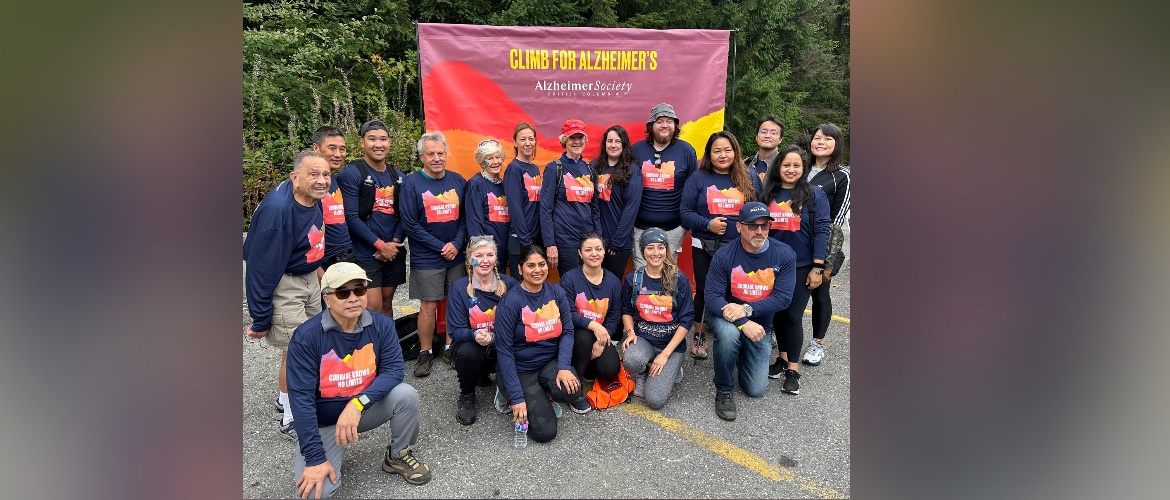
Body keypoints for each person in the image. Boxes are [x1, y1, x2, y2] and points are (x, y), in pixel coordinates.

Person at [287, 263, 432, 498]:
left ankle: (397, 455)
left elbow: (395, 370)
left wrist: (357, 404)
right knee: (316, 493)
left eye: (360, 290)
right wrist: (315, 458)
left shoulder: (382, 324)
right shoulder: (306, 337)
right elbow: (301, 401)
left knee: (406, 395)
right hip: (324, 422)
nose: (353, 298)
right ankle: (319, 452)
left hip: (362, 410)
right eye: (343, 293)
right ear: (327, 299)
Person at [244, 149, 329, 441]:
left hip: (308, 279)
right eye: (313, 174)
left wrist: (322, 277)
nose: (321, 181)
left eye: (326, 174)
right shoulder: (278, 210)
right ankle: (293, 418)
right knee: (296, 351)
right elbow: (260, 269)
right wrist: (261, 317)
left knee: (314, 342)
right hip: (285, 283)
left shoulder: (312, 198)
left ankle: (286, 399)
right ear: (294, 177)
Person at [704, 202, 796, 421]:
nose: (759, 231)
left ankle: (739, 352)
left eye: (764, 226)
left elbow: (783, 298)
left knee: (756, 389)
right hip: (726, 316)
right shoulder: (725, 255)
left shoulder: (784, 255)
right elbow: (712, 297)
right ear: (739, 227)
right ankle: (724, 389)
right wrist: (743, 323)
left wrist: (746, 310)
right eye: (752, 226)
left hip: (759, 321)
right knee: (728, 336)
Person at [494, 245, 592, 444]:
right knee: (544, 433)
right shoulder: (511, 301)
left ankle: (543, 390)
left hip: (549, 363)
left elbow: (567, 331)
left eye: (541, 264)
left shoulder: (556, 292)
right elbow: (504, 350)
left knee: (572, 390)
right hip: (520, 369)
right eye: (530, 265)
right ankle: (505, 391)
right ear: (520, 269)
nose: (537, 270)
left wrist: (564, 366)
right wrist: (517, 398)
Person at [680, 131, 762, 360]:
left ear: (735, 152)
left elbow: (758, 213)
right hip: (704, 244)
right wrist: (708, 223)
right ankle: (699, 334)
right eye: (717, 150)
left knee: (736, 291)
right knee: (705, 291)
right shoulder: (698, 178)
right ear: (709, 154)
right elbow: (685, 214)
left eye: (727, 150)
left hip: (740, 246)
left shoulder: (749, 177)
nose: (722, 155)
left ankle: (738, 334)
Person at [760, 145, 830, 395]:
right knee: (777, 315)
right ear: (778, 167)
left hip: (801, 266)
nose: (791, 170)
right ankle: (781, 359)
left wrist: (818, 267)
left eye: (796, 165)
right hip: (771, 264)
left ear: (804, 168)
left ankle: (793, 369)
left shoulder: (814, 195)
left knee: (792, 316)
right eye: (786, 165)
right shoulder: (768, 192)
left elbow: (822, 230)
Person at [399, 131, 468, 377]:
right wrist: (440, 246)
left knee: (453, 302)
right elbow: (410, 224)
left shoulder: (458, 180)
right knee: (428, 305)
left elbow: (464, 219)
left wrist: (456, 244)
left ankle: (450, 347)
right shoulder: (411, 183)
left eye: (440, 153)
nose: (437, 158)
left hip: (455, 255)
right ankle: (425, 352)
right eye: (431, 154)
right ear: (421, 157)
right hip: (428, 257)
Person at [336, 120, 407, 317]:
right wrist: (379, 245)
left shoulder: (399, 176)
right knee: (371, 307)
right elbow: (350, 217)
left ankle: (387, 348)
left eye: (383, 139)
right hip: (366, 253)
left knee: (386, 304)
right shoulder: (351, 173)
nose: (378, 144)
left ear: (389, 142)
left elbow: (406, 216)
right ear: (362, 142)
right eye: (372, 139)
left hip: (392, 252)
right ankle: (368, 347)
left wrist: (392, 244)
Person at [445, 235, 517, 426]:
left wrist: (494, 337)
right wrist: (475, 334)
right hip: (475, 344)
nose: (485, 260)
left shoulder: (510, 284)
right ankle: (467, 395)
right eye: (479, 255)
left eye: (490, 255)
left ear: (496, 258)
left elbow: (519, 322)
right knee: (467, 351)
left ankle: (502, 381)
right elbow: (455, 330)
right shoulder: (459, 288)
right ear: (470, 259)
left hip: (502, 344)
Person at [619, 228, 694, 410]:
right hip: (644, 339)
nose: (656, 253)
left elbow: (686, 320)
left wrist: (665, 355)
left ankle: (672, 368)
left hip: (671, 346)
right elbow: (626, 309)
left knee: (654, 400)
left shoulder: (679, 279)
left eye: (660, 248)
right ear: (642, 251)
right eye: (650, 248)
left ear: (666, 250)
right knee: (631, 359)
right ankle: (643, 371)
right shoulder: (634, 278)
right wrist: (630, 332)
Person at [803, 124, 851, 366]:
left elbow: (836, 221)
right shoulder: (800, 168)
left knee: (820, 294)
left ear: (837, 144)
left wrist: (824, 260)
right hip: (794, 240)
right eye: (817, 137)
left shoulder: (842, 176)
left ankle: (817, 343)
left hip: (821, 243)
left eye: (827, 138)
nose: (820, 142)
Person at [631, 103, 698, 268]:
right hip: (639, 229)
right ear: (651, 126)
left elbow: (693, 189)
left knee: (668, 277)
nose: (665, 125)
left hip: (674, 230)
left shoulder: (686, 151)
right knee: (641, 278)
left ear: (675, 126)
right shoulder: (636, 150)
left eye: (669, 121)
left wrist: (684, 226)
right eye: (660, 121)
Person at [559, 233, 622, 388]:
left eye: (598, 249)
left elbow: (614, 316)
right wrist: (594, 325)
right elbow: (567, 314)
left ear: (604, 251)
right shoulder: (569, 279)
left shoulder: (613, 282)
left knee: (610, 370)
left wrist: (602, 342)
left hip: (600, 333)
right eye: (588, 250)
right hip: (575, 332)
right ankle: (575, 380)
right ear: (580, 253)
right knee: (584, 338)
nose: (594, 254)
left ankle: (588, 366)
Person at [540, 119, 600, 278]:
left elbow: (595, 209)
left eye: (581, 137)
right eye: (573, 137)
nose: (577, 142)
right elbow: (545, 209)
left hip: (587, 241)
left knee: (588, 285)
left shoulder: (589, 170)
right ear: (564, 140)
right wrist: (550, 244)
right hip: (565, 240)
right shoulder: (554, 168)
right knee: (570, 285)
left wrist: (598, 240)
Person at [590, 125, 642, 281]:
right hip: (594, 240)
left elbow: (631, 209)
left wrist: (616, 242)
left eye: (617, 141)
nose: (613, 145)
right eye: (609, 141)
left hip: (617, 243)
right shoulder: (594, 166)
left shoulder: (632, 170)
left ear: (624, 145)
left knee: (611, 285)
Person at [311, 126, 356, 275]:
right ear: (316, 148)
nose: (338, 154)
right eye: (332, 148)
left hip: (344, 254)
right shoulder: (310, 185)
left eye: (342, 149)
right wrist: (318, 271)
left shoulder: (334, 179)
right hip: (325, 259)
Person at [464, 139, 511, 273]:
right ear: (481, 162)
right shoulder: (475, 184)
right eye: (489, 158)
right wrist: (480, 254)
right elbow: (474, 223)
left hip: (503, 250)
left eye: (498, 157)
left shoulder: (504, 184)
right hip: (485, 252)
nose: (495, 162)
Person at [502, 122, 542, 278]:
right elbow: (515, 208)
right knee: (519, 285)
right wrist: (526, 241)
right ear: (515, 142)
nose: (527, 143)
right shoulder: (514, 169)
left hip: (535, 238)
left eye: (531, 139)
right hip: (520, 240)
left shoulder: (534, 169)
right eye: (523, 139)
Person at [744, 116, 784, 183]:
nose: (767, 136)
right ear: (756, 136)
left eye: (773, 133)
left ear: (780, 139)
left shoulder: (784, 166)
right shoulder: (746, 164)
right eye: (763, 132)